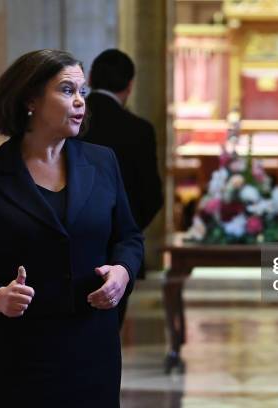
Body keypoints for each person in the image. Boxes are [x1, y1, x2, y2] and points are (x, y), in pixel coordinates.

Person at [0, 49, 143, 407]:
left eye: (82, 92)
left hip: (91, 352)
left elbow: (129, 237)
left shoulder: (102, 162)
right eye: (66, 90)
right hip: (13, 357)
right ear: (30, 98)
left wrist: (123, 271)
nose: (79, 102)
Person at [82, 49, 163, 327]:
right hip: (118, 256)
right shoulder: (138, 130)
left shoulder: (72, 122)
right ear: (130, 85)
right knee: (107, 332)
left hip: (69, 246)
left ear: (90, 77)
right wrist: (126, 235)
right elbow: (152, 195)